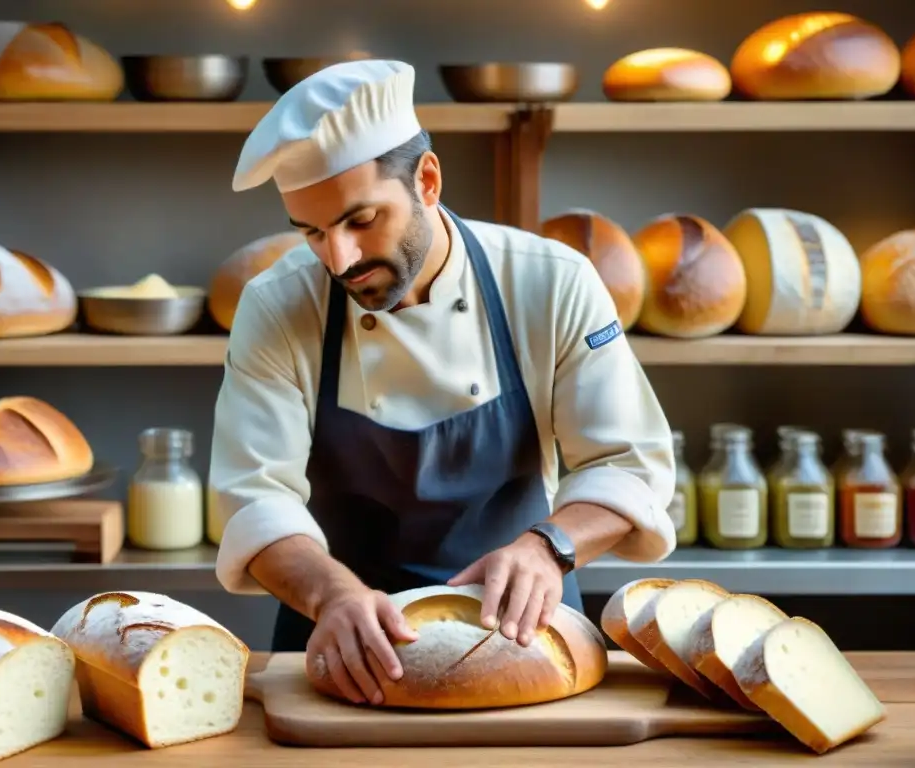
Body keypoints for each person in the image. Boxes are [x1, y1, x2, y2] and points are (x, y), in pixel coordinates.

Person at [210, 59, 677, 706]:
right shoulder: (277, 307)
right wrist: (331, 593)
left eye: (361, 219)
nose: (339, 260)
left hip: (520, 633)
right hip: (344, 642)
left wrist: (550, 546)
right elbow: (254, 496)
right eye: (313, 232)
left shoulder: (550, 281)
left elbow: (629, 464)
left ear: (427, 180)